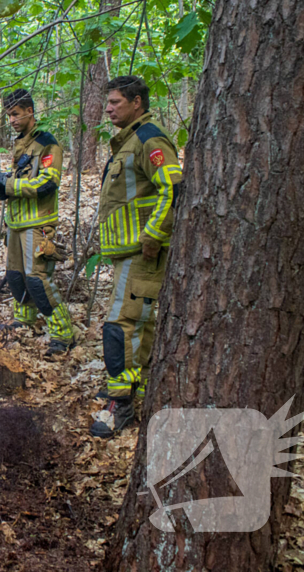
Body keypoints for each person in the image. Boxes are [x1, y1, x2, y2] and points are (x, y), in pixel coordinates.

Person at [89, 76, 182, 439]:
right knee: (136, 324)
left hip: (142, 252)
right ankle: (134, 388)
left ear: (137, 102)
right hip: (126, 252)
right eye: (108, 102)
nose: (109, 108)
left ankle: (120, 404)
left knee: (121, 325)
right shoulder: (128, 139)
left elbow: (171, 186)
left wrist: (154, 236)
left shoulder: (148, 139)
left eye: (115, 102)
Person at [0, 88, 75, 357]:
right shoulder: (20, 144)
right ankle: (23, 320)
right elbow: (19, 180)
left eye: (15, 114)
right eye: (8, 115)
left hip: (38, 224)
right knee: (16, 277)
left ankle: (62, 334)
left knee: (38, 280)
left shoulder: (47, 143)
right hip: (15, 222)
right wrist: (2, 185)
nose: (11, 119)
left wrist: (10, 185)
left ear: (30, 112)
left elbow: (49, 181)